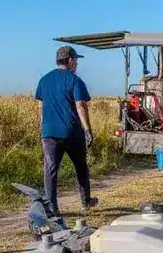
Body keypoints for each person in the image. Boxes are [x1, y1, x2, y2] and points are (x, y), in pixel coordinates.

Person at [34, 45, 98, 218]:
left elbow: (40, 107)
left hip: (48, 133)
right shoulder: (74, 80)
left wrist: (43, 128)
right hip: (72, 133)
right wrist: (88, 130)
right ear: (70, 60)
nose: (77, 63)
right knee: (81, 167)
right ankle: (86, 201)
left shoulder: (44, 80)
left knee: (50, 170)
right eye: (76, 60)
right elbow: (81, 106)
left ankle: (52, 207)